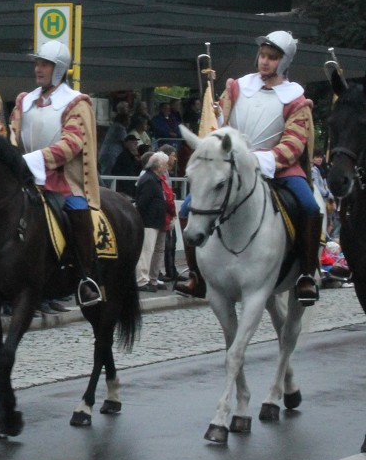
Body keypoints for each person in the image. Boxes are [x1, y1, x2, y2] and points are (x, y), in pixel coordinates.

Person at [175, 31, 322, 304]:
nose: (265, 62)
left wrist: (257, 160)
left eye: (272, 58)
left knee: (309, 206)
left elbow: (293, 145)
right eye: (263, 56)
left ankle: (307, 274)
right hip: (232, 163)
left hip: (278, 166)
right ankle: (195, 273)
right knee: (187, 207)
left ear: (284, 62)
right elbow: (219, 127)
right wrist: (216, 116)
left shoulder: (296, 99)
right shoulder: (236, 87)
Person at [8, 39, 102, 307]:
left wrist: (34, 159)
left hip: (60, 179)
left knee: (76, 210)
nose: (38, 69)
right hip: (24, 176)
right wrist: (9, 147)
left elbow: (72, 144)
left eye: (45, 64)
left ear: (58, 69)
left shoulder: (76, 103)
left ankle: (86, 277)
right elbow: (12, 131)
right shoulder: (24, 100)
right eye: (37, 63)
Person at [134, 152, 169, 291]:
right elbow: (142, 203)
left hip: (154, 221)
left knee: (151, 251)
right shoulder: (149, 180)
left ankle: (147, 278)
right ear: (158, 166)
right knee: (146, 251)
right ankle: (142, 280)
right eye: (164, 164)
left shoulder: (153, 179)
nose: (166, 167)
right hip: (148, 222)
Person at [159, 143, 179, 282]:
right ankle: (166, 271)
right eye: (173, 155)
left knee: (172, 242)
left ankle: (172, 270)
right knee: (165, 244)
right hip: (165, 212)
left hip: (169, 212)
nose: (175, 159)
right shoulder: (161, 174)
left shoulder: (166, 173)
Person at [97, 101, 131, 181]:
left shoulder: (115, 126)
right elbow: (126, 143)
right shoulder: (119, 128)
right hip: (110, 156)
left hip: (108, 155)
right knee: (107, 175)